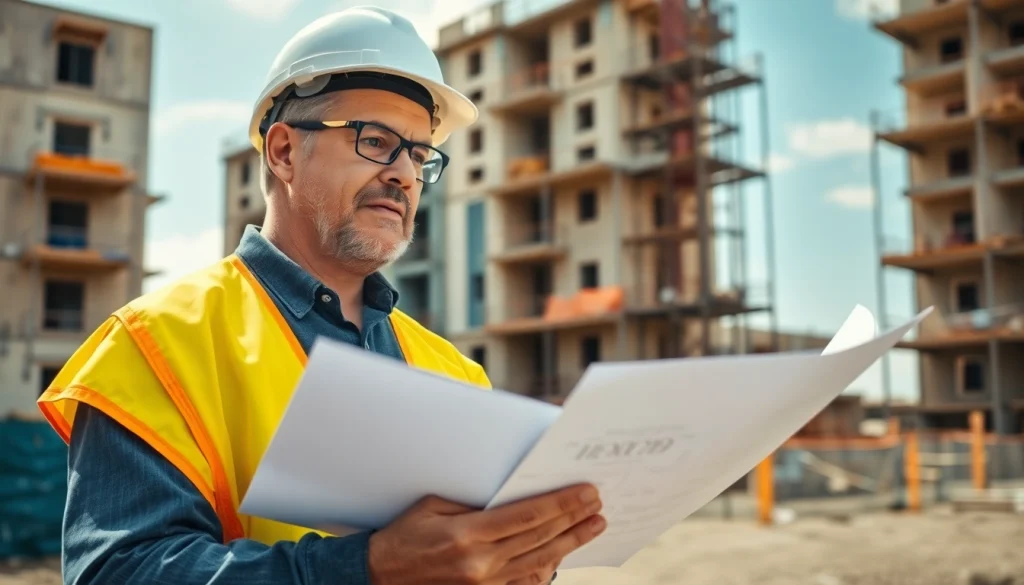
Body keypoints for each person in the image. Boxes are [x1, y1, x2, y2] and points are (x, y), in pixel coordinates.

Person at [37, 7, 605, 585]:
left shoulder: (456, 372)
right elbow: (117, 572)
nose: (406, 175)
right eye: (377, 140)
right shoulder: (153, 344)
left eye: (418, 154)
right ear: (283, 152)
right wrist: (365, 568)